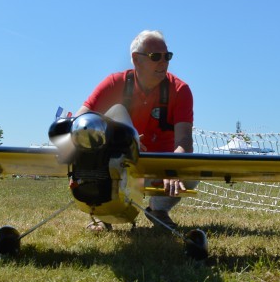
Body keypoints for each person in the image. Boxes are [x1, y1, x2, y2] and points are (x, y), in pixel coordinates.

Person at [76, 30, 194, 229]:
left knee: (191, 171)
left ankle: (158, 210)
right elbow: (81, 122)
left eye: (167, 56)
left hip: (161, 165)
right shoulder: (114, 83)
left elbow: (184, 140)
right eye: (155, 57)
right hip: (121, 163)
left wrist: (172, 168)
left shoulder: (180, 90)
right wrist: (116, 140)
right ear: (136, 60)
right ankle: (105, 214)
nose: (163, 62)